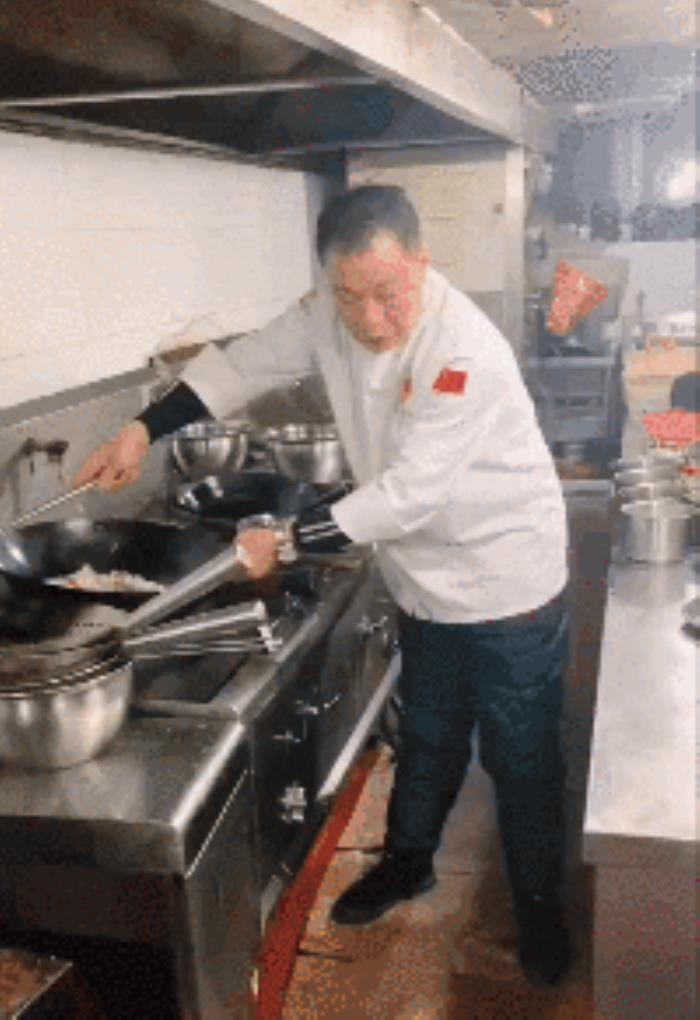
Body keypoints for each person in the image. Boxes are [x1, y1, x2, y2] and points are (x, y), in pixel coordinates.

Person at [75, 185, 572, 985]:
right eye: (349, 296)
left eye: (388, 294)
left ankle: (542, 912)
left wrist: (285, 539)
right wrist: (142, 428)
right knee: (429, 735)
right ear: (328, 282)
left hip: (507, 578)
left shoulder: (462, 351)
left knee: (521, 756)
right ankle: (408, 864)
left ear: (422, 263)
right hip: (422, 577)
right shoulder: (326, 312)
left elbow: (409, 493)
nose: (370, 318)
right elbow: (241, 366)